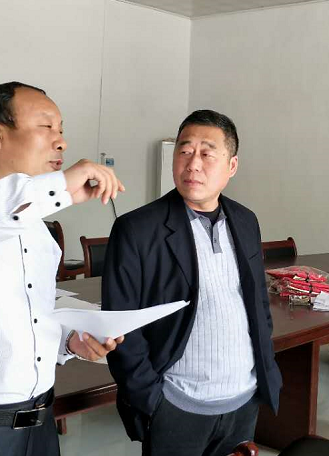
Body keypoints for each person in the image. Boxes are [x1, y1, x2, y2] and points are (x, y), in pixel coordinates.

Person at [0, 81, 125, 456]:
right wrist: (57, 186)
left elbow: (28, 309)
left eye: (61, 129)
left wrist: (70, 340)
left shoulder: (34, 220)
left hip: (39, 423)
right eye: (46, 127)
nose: (61, 142)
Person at [102, 109, 282, 456]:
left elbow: (258, 303)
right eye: (184, 151)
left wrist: (265, 373)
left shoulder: (245, 221)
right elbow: (120, 325)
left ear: (231, 165)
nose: (193, 164)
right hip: (176, 405)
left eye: (207, 154)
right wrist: (152, 400)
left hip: (243, 399)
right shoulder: (137, 229)